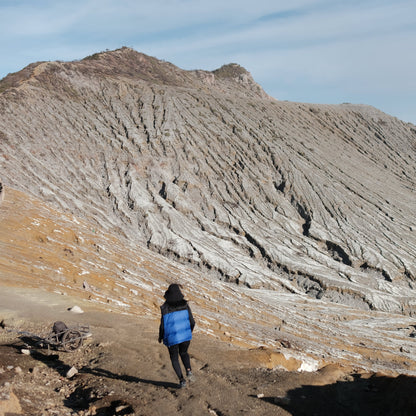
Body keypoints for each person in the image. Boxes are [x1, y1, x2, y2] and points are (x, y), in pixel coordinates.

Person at [158, 283, 195, 388]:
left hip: (172, 338)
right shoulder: (185, 305)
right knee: (184, 352)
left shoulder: (165, 308)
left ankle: (181, 380)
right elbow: (192, 322)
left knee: (174, 358)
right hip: (185, 336)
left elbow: (163, 326)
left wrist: (160, 337)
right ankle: (189, 371)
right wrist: (188, 331)